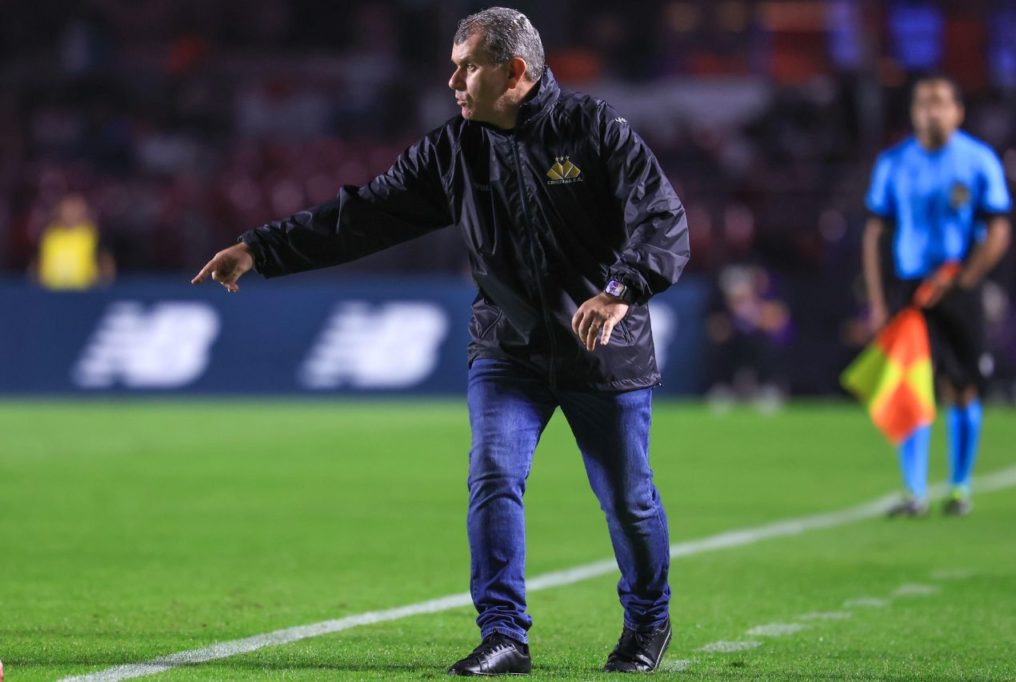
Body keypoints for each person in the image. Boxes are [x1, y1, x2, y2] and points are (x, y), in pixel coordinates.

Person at [192, 7, 689, 676]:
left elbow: (662, 219)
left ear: (514, 72)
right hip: (507, 349)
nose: (451, 78)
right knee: (492, 475)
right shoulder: (454, 149)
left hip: (604, 352)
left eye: (467, 65)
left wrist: (620, 290)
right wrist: (260, 248)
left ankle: (647, 624)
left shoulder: (593, 130)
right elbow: (361, 215)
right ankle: (505, 634)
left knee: (628, 499)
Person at [862, 74, 1012, 518]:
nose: (932, 111)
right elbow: (875, 232)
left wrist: (967, 276)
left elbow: (999, 227)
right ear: (912, 113)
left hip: (959, 285)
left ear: (958, 111)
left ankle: (960, 487)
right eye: (923, 104)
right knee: (911, 385)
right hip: (910, 288)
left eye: (941, 102)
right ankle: (914, 493)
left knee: (963, 386)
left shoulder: (978, 160)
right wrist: (877, 299)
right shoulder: (892, 162)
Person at [31, 193, 116, 290]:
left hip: (84, 293)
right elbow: (36, 263)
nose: (71, 213)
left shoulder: (92, 235)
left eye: (75, 209)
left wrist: (103, 287)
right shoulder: (49, 236)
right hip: (52, 293)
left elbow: (106, 263)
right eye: (68, 209)